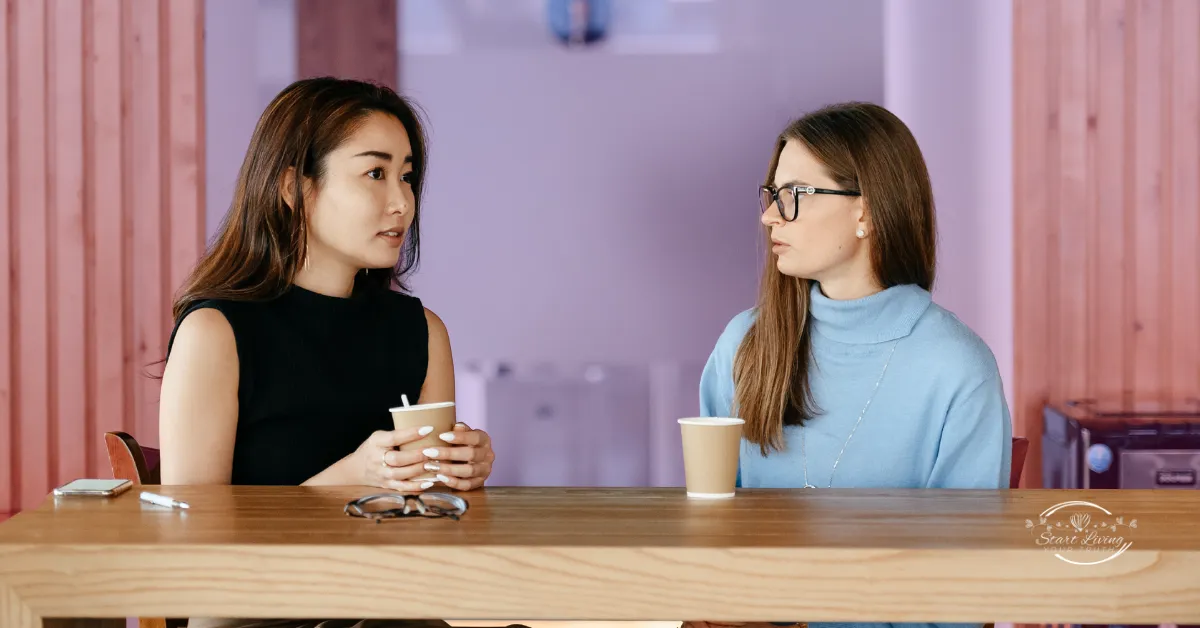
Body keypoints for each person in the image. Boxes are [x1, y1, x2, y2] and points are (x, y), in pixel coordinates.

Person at [158, 77, 513, 628]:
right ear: (294, 188)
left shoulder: (422, 332)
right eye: (375, 173)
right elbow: (193, 545)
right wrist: (352, 477)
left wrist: (460, 479)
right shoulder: (216, 332)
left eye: (407, 176)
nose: (402, 202)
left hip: (391, 610)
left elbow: (432, 531)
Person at [687, 102, 1012, 628]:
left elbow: (958, 598)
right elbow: (713, 537)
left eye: (793, 195)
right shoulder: (743, 344)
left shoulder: (957, 369)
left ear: (866, 211)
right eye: (771, 196)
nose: (770, 215)